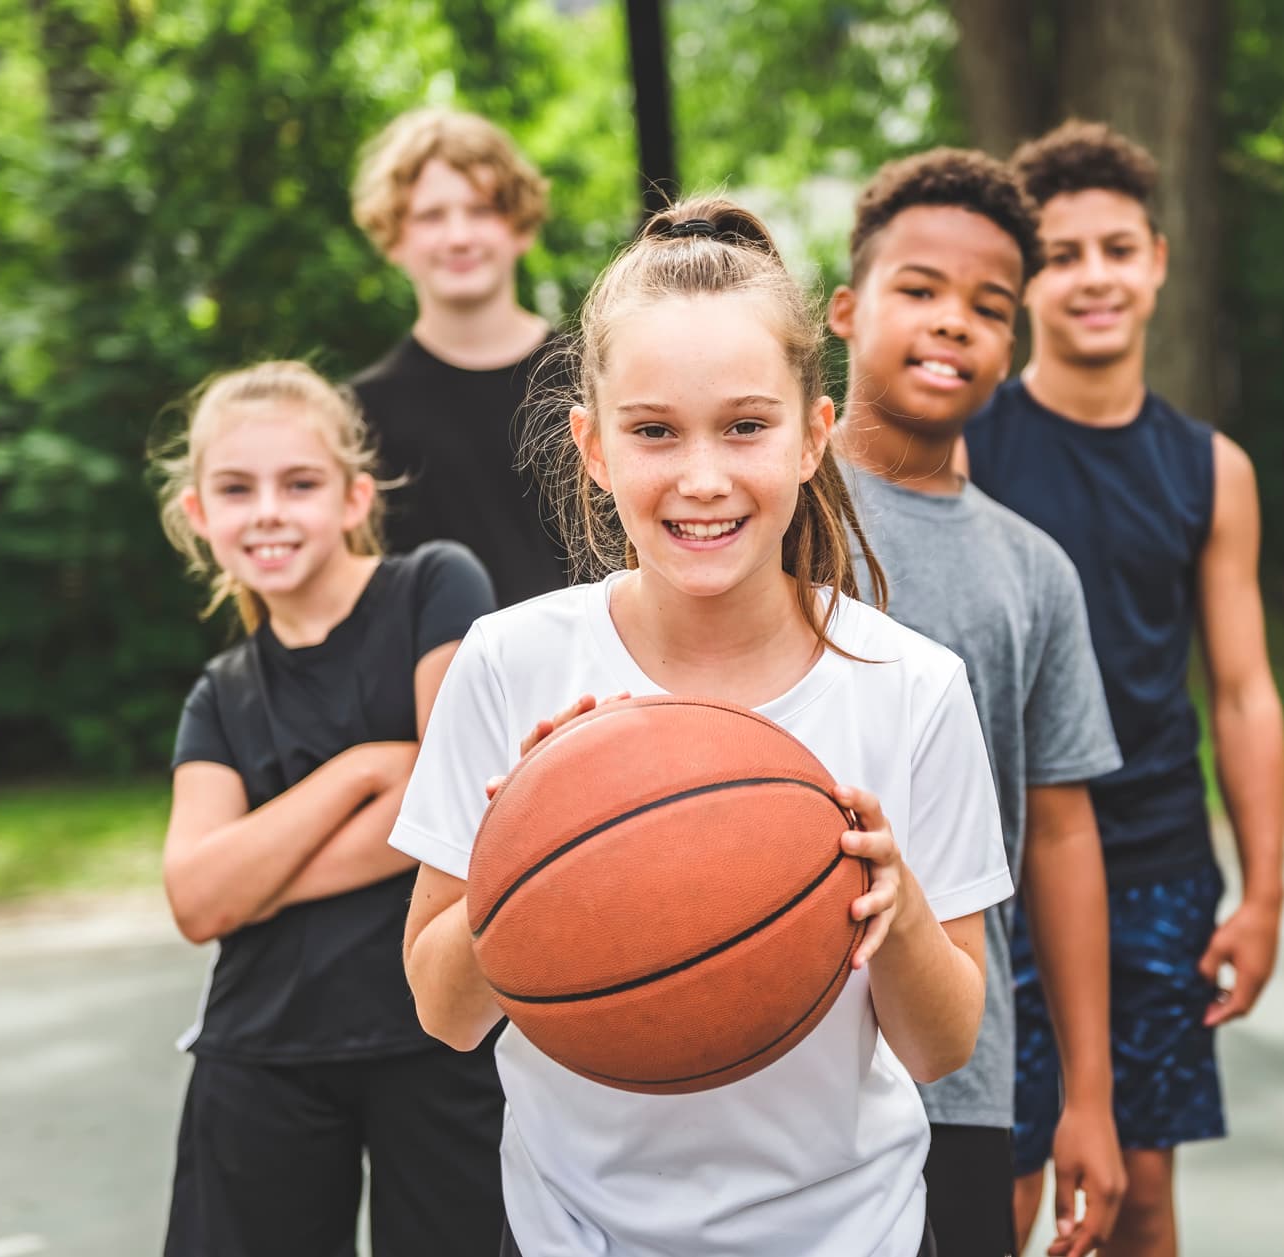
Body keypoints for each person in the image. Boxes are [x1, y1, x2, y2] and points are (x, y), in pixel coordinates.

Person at [389, 199, 1013, 1257]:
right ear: (590, 446)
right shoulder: (511, 663)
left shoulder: (913, 686)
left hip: (847, 1232)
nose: (703, 477)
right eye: (652, 431)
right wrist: (522, 860)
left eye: (745, 426)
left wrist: (897, 910)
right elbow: (445, 1014)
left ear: (816, 436)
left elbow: (944, 1046)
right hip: (570, 1233)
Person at [963, 120, 1284, 1257]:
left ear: (1157, 259)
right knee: (998, 1200)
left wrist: (1264, 890)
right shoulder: (970, 448)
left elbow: (1244, 691)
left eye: (1116, 249)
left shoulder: (1211, 469)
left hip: (1153, 867)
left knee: (1137, 1197)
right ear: (1024, 282)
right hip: (996, 865)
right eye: (1061, 254)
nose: (1093, 276)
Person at [830, 148, 1126, 1257]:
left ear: (1015, 340)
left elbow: (1057, 832)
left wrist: (1086, 1097)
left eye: (987, 307)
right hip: (759, 1053)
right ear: (847, 309)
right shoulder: (761, 517)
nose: (952, 322)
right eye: (919, 290)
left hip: (954, 1068)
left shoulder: (1033, 570)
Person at [152, 361, 503, 1257]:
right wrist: (356, 772)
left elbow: (460, 808)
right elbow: (197, 898)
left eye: (299, 483)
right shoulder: (220, 694)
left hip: (434, 1038)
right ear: (199, 515)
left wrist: (257, 872)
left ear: (353, 498)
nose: (267, 510)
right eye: (237, 488)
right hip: (261, 1050)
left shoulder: (434, 586)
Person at [349, 108, 572, 603]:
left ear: (521, 226)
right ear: (393, 237)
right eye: (431, 216)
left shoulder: (594, 376)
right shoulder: (360, 416)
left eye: (482, 210)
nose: (459, 236)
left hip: (609, 674)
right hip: (446, 679)